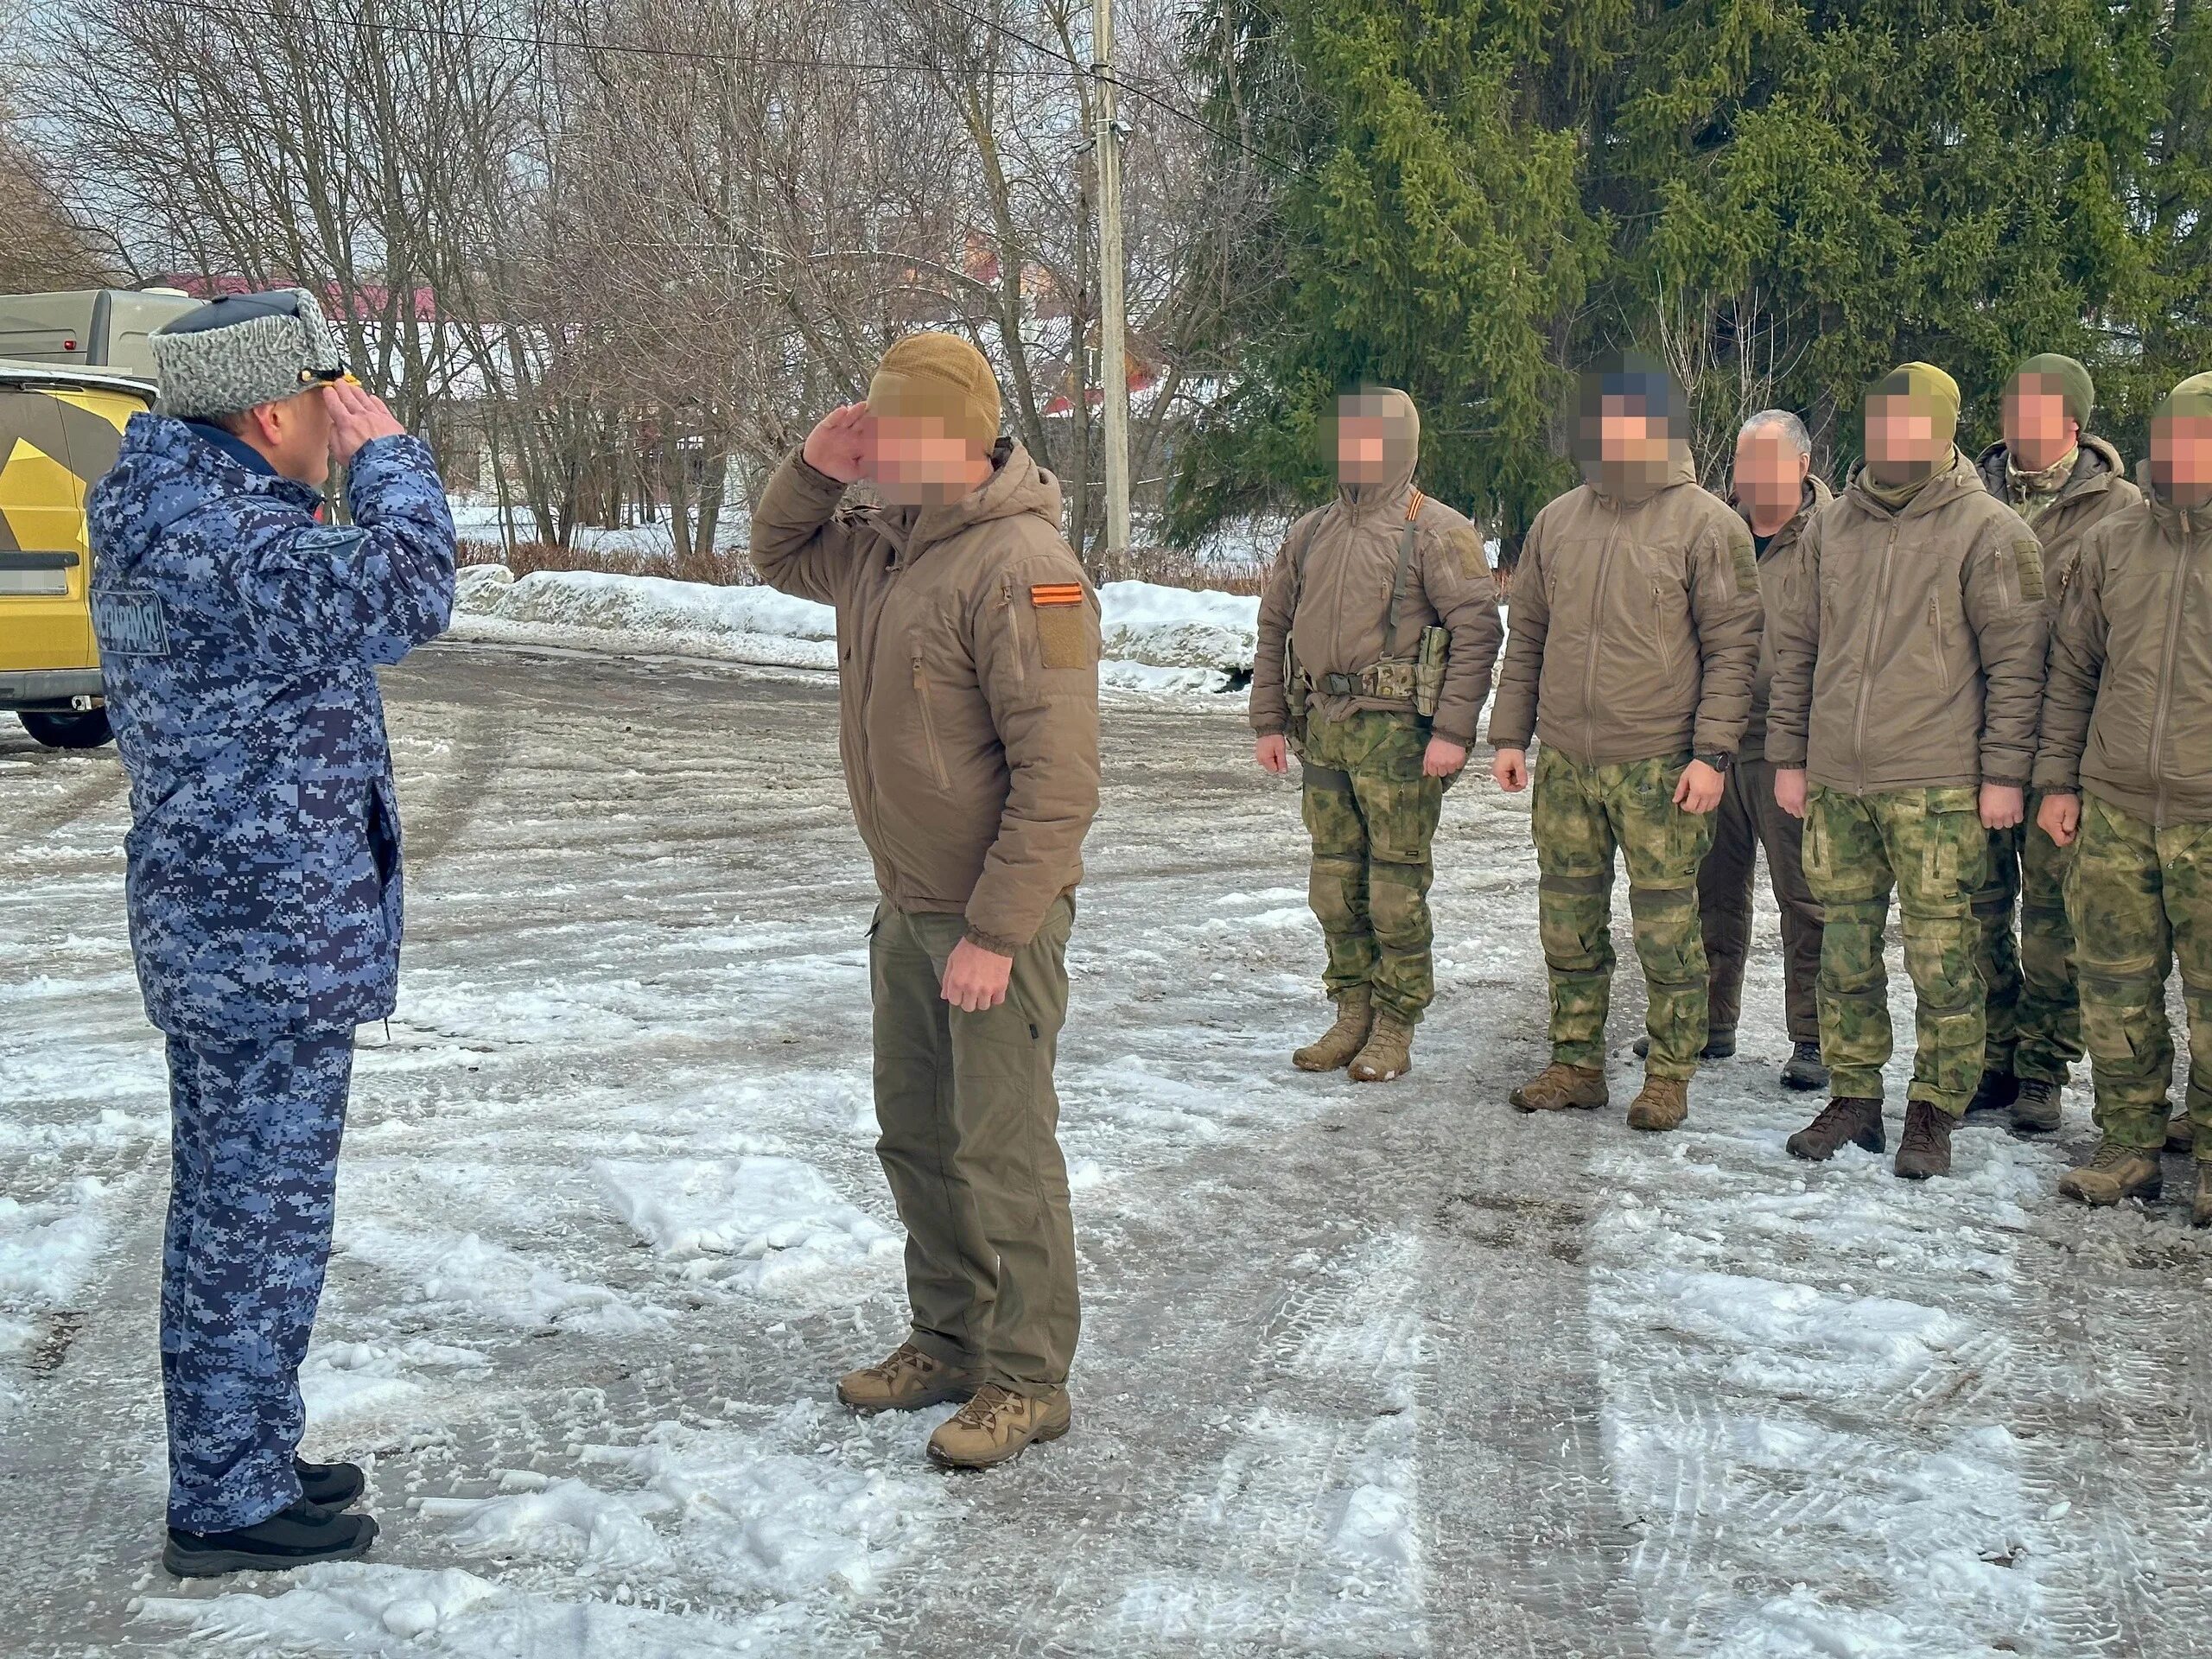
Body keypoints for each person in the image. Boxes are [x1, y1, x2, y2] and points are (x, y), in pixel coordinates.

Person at [84, 289, 454, 1575]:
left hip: (231, 924)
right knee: (256, 1220)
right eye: (326, 400)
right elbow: (410, 585)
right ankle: (227, 1500)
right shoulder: (226, 539)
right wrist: (390, 458)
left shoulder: (178, 505)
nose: (337, 420)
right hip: (263, 935)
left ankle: (243, 1449)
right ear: (273, 409)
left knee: (239, 1211)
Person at [751, 333, 1100, 1471]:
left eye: (900, 438)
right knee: (918, 1142)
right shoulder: (876, 547)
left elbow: (1060, 775)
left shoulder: (1025, 566)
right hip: (907, 908)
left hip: (992, 920)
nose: (882, 458)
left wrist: (998, 932)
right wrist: (814, 461)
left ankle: (1027, 1377)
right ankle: (948, 1341)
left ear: (958, 441)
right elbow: (775, 548)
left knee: (1000, 1151)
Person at [1766, 363, 2048, 1179]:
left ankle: (1936, 1104)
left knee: (1941, 954)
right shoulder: (1831, 527)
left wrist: (2004, 777)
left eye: (1912, 423)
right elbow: (1797, 653)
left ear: (1944, 428)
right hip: (1838, 786)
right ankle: (1855, 1096)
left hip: (1939, 784)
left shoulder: (1989, 532)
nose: (1894, 437)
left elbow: (2017, 670)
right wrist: (1791, 757)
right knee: (1844, 947)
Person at [1489, 361, 1764, 1131]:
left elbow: (1735, 650)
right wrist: (1511, 734)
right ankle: (1576, 1063)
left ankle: (1670, 1074)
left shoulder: (1709, 526)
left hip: (1661, 766)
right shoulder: (1557, 521)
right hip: (1568, 764)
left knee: (1667, 929)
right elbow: (1529, 637)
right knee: (1568, 923)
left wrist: (1712, 756)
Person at [1249, 388, 1503, 1082]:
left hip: (1399, 739)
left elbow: (1479, 633)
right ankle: (1351, 1010)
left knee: (1395, 889)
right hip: (1324, 732)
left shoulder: (1439, 532)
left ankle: (1395, 1022)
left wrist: (1453, 732)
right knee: (1333, 886)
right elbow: (1273, 627)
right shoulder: (1310, 532)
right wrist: (1269, 719)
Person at [2034, 372, 2212, 1222]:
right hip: (2110, 806)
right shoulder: (2115, 541)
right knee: (2113, 985)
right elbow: (2073, 673)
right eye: (2172, 437)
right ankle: (2129, 1141)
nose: (2182, 454)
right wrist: (2059, 782)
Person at [1966, 355, 2142, 1132]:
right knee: (1973, 909)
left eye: (2034, 408)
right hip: (1970, 737)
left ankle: (2042, 1068)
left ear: (2072, 421)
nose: (2016, 419)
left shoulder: (2120, 511)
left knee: (2053, 919)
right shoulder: (1967, 496)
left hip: (2063, 748)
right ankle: (1990, 1057)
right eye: (2011, 404)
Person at [1674, 411, 1832, 1091]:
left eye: (1768, 464)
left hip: (1792, 746)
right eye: (1744, 464)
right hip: (1714, 741)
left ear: (1802, 465)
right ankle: (1711, 1023)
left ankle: (1815, 1039)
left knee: (1808, 900)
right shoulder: (1711, 528)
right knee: (1710, 892)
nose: (1753, 478)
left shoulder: (1837, 534)